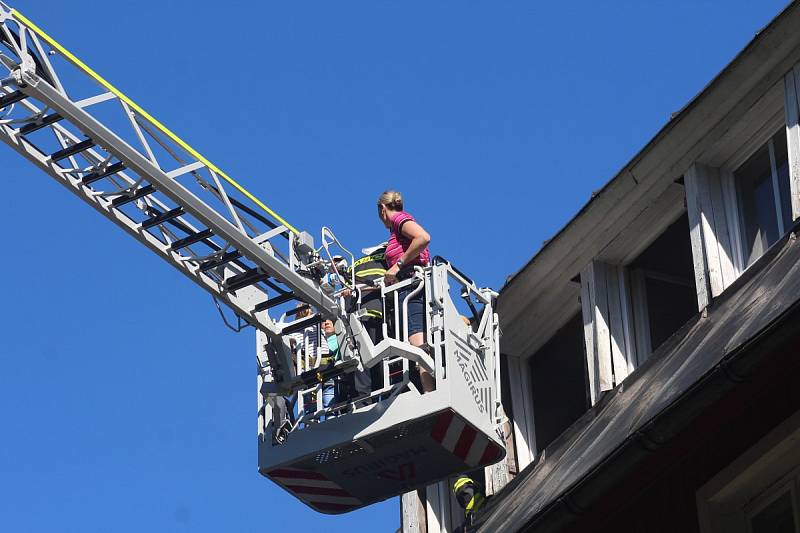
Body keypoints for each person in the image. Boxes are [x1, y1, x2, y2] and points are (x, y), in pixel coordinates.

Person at [377, 190, 433, 391]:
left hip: (410, 285)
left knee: (417, 341)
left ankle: (429, 391)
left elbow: (423, 237)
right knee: (418, 340)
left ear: (383, 209)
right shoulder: (397, 228)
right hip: (408, 284)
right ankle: (429, 388)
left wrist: (397, 266)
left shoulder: (399, 220)